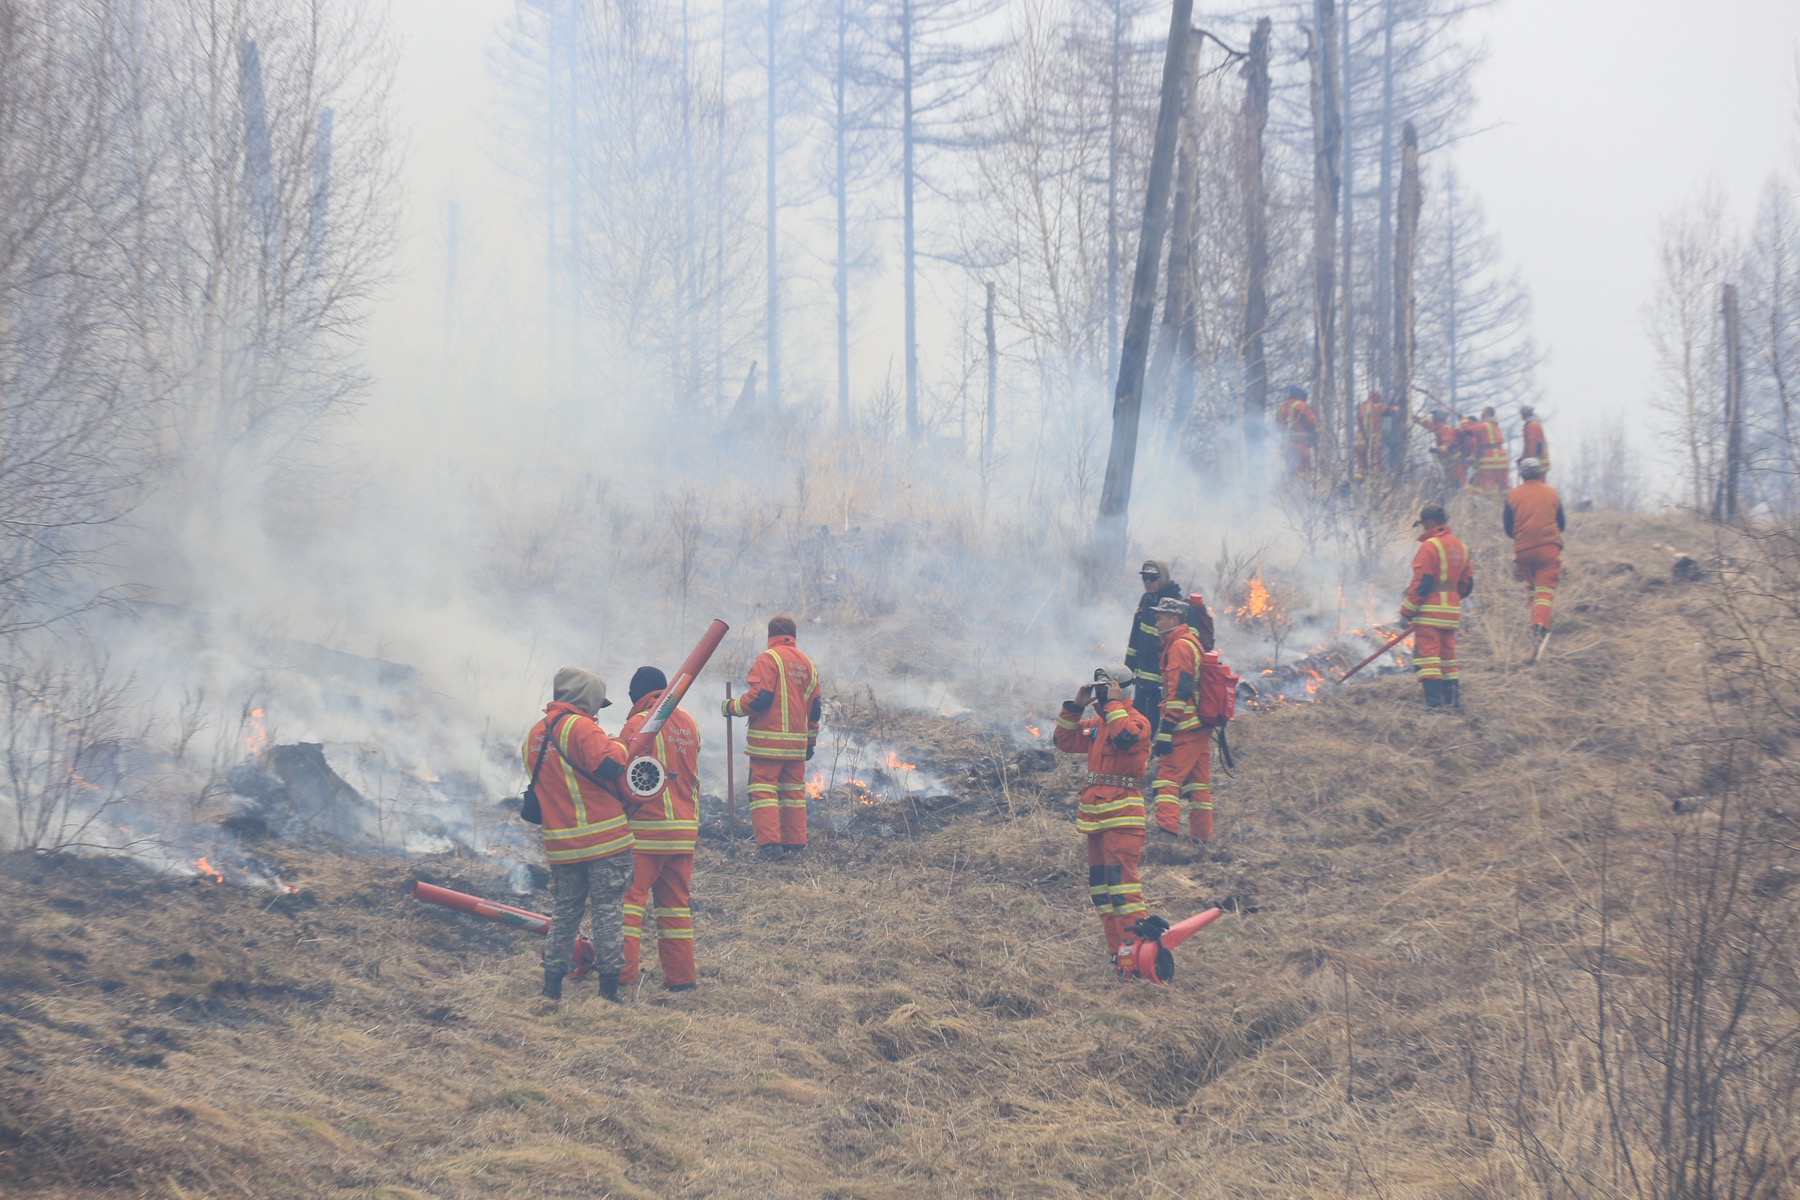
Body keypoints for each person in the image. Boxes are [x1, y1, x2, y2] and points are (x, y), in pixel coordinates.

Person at [523, 666, 634, 1001]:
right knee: (608, 911)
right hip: (604, 841)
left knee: (565, 914)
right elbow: (611, 764)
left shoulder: (534, 735)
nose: (598, 711)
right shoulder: (582, 728)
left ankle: (551, 987)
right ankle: (609, 990)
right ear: (585, 698)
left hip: (561, 845)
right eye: (597, 703)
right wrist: (620, 744)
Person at [1051, 666, 1151, 960]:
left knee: (1123, 891)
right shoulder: (1098, 724)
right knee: (1102, 891)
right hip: (1097, 820)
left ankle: (1139, 954)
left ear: (1122, 690)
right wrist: (1075, 707)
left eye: (1107, 688)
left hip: (1123, 821)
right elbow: (1064, 742)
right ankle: (1118, 953)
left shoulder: (1136, 722)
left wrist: (1114, 704)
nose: (1102, 694)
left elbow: (1127, 739)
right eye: (1100, 689)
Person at [617, 666, 700, 993]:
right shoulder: (690, 724)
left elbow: (620, 775)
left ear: (637, 696)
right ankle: (681, 980)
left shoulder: (638, 725)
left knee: (630, 906)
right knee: (676, 908)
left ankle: (622, 978)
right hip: (684, 833)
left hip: (645, 834)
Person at [722, 615, 822, 860]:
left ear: (770, 635)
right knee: (793, 793)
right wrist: (810, 741)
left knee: (763, 790)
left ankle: (770, 847)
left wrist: (732, 706)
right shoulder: (808, 664)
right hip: (797, 745)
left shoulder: (769, 658)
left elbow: (760, 697)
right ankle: (795, 844)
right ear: (793, 635)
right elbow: (815, 707)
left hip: (768, 743)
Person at [1399, 504, 1475, 710]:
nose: (1423, 529)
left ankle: (1435, 707)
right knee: (1447, 659)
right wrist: (1450, 597)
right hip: (1451, 614)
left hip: (1430, 614)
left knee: (1429, 658)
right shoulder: (1461, 546)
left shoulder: (1430, 546)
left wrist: (1406, 611)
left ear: (1430, 522)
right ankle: (1453, 703)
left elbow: (1422, 583)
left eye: (1423, 525)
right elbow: (1467, 585)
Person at [1149, 596, 1213, 841]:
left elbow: (1179, 691)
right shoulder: (1190, 642)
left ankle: (1166, 835)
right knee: (1198, 784)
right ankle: (1202, 839)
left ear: (1174, 619)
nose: (1156, 622)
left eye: (1160, 617)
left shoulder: (1179, 646)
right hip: (1199, 725)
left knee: (1167, 778)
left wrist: (1166, 731)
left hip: (1185, 727)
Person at [1505, 457, 1566, 638]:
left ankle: (1535, 621)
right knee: (1545, 589)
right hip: (1548, 548)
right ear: (1540, 473)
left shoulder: (1512, 495)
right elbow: (1561, 523)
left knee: (1533, 587)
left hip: (1523, 550)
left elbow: (1508, 527)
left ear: (1521, 474)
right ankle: (1539, 627)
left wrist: (1522, 538)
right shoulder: (1552, 493)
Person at [1126, 561, 1182, 738]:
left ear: (1163, 578)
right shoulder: (1145, 600)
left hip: (1160, 677)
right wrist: (1128, 666)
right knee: (1137, 714)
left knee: (1153, 719)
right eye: (1145, 577)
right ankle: (1137, 749)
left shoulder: (1173, 604)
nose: (1148, 581)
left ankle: (1148, 750)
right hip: (1142, 674)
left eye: (1153, 578)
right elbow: (1136, 635)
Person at [1275, 384, 1319, 477]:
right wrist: (1316, 435)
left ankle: (1289, 490)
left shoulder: (1281, 408)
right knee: (1304, 471)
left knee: (1290, 470)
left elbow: (1277, 427)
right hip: (1301, 445)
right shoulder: (1301, 405)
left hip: (1286, 446)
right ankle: (1301, 490)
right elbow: (1312, 422)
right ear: (1300, 396)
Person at [1415, 408, 1463, 489]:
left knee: (1457, 483)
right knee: (1450, 484)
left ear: (1439, 418)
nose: (1432, 418)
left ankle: (1462, 498)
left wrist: (1437, 450)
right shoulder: (1439, 427)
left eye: (1434, 416)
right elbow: (1428, 424)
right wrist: (1415, 418)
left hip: (1455, 462)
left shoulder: (1446, 428)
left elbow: (1448, 444)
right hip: (1449, 463)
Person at [1471, 406, 1510, 492]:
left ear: (1488, 413)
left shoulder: (1483, 425)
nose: (1481, 414)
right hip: (1503, 459)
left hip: (1489, 459)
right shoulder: (1496, 426)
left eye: (1483, 411)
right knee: (1504, 486)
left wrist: (1465, 421)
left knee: (1481, 484)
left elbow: (1471, 432)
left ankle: (1480, 502)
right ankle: (1505, 502)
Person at [1354, 389, 1390, 479]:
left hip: (1359, 442)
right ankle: (1375, 483)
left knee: (1361, 466)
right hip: (1372, 441)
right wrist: (1399, 407)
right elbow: (1390, 410)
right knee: (1376, 463)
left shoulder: (1362, 406)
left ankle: (1358, 484)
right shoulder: (1376, 406)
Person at [1519, 404, 1550, 475]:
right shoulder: (1533, 424)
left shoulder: (1532, 425)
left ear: (1525, 413)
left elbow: (1532, 444)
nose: (1521, 416)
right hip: (1537, 461)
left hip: (1537, 463)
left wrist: (1529, 460)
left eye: (1521, 413)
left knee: (1537, 484)